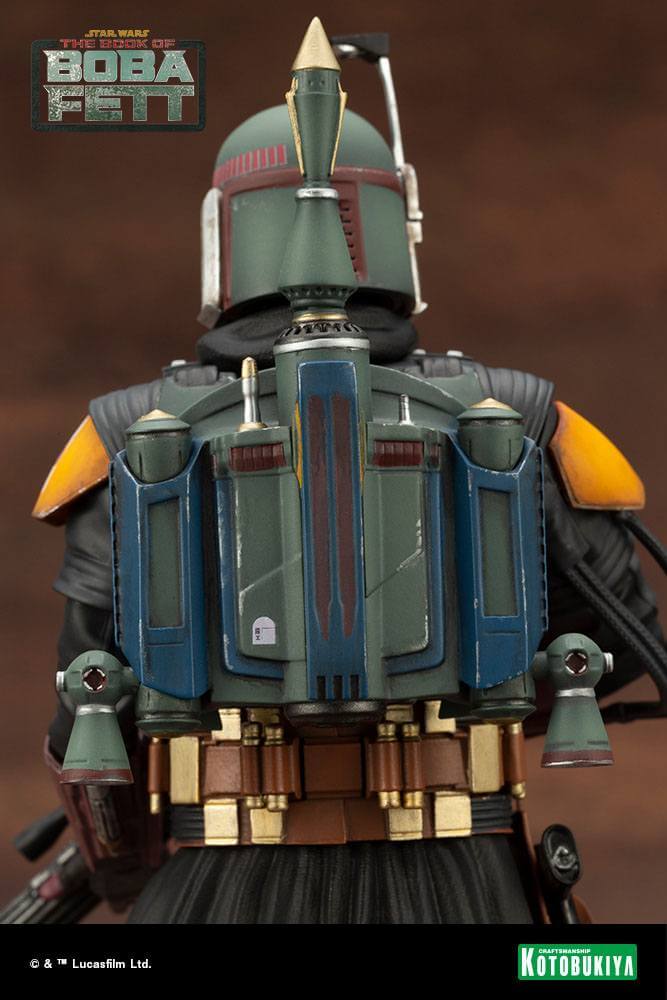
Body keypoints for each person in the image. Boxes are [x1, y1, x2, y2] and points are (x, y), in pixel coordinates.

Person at [29, 21, 666, 925]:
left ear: (226, 238)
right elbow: (620, 643)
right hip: (464, 870)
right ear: (396, 228)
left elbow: (87, 704)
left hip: (223, 875)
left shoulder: (126, 433)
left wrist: (129, 872)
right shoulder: (523, 416)